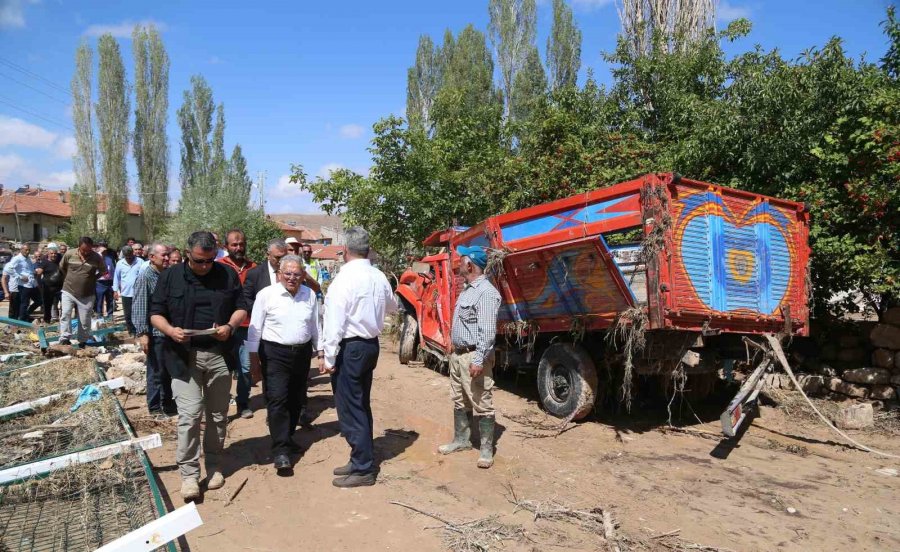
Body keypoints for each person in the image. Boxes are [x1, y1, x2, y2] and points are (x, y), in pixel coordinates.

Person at [150, 231, 248, 502]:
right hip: (183, 358)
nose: (205, 266)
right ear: (187, 254)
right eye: (199, 261)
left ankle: (214, 465)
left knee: (217, 415)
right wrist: (170, 331)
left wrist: (230, 326)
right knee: (190, 415)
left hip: (219, 356)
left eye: (209, 261)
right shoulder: (170, 277)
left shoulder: (227, 274)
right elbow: (155, 313)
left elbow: (241, 307)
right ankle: (189, 475)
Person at [319, 227, 397, 488]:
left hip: (350, 348)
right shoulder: (378, 276)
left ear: (345, 251)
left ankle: (363, 467)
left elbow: (334, 322)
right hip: (370, 345)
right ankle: (359, 458)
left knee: (351, 407)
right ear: (368, 250)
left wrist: (329, 357)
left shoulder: (344, 279)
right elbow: (392, 306)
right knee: (360, 403)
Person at [247, 255, 320, 472]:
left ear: (303, 275)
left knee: (296, 399)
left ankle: (287, 437)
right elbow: (255, 329)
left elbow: (315, 325)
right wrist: (253, 360)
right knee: (277, 399)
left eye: (297, 274)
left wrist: (321, 352)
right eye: (287, 273)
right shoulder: (266, 295)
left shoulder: (309, 295)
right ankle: (280, 450)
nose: (292, 278)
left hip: (302, 353)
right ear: (279, 274)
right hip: (274, 353)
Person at [438, 245, 502, 469]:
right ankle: (461, 440)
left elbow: (487, 330)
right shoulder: (468, 289)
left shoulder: (486, 293)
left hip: (474, 355)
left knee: (482, 402)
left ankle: (486, 450)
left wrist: (478, 359)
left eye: (461, 260)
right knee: (459, 399)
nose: (458, 263)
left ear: (470, 264)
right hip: (459, 355)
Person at [218, 229, 258, 419]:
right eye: (234, 244)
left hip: (248, 326)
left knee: (246, 368)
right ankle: (221, 404)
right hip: (223, 327)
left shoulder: (254, 268)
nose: (238, 247)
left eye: (241, 244)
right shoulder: (218, 266)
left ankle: (243, 402)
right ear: (226, 246)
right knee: (223, 368)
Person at [133, 242, 175, 418]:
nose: (166, 258)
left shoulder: (168, 274)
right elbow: (140, 306)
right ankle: (155, 406)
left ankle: (168, 403)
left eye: (167, 255)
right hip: (155, 333)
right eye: (163, 255)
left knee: (168, 370)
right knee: (156, 371)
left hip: (169, 331)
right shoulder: (145, 277)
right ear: (151, 257)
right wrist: (143, 333)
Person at [59, 237, 107, 346]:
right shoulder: (69, 254)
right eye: (83, 250)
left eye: (88, 250)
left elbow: (104, 271)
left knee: (84, 319)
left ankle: (82, 341)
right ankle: (65, 339)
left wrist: (93, 279)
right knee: (65, 314)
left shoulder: (96, 257)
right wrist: (69, 278)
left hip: (87, 294)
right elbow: (62, 267)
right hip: (68, 290)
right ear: (78, 246)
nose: (86, 253)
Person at [113, 245, 145, 336]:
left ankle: (140, 330)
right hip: (126, 293)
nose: (129, 258)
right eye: (127, 257)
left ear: (132, 253)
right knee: (128, 314)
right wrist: (115, 291)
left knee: (139, 313)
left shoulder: (140, 262)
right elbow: (116, 278)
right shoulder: (120, 263)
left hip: (139, 293)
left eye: (130, 256)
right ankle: (131, 331)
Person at [7, 243, 38, 322]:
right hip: (23, 285)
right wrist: (20, 277)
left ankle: (25, 315)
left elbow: (29, 269)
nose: (27, 252)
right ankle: (22, 320)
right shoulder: (17, 258)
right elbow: (8, 269)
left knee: (39, 300)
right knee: (24, 303)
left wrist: (34, 272)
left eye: (29, 250)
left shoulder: (28, 258)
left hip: (31, 284)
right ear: (21, 250)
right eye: (26, 250)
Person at [35, 243, 63, 323]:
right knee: (47, 306)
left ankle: (62, 320)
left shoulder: (60, 260)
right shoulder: (44, 262)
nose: (53, 255)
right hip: (48, 288)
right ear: (48, 254)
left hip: (60, 288)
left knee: (64, 304)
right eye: (52, 253)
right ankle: (47, 321)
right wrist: (40, 286)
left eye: (55, 253)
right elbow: (38, 274)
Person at [95, 241, 116, 319]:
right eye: (102, 251)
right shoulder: (95, 259)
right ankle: (99, 316)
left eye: (105, 251)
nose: (105, 252)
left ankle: (110, 315)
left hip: (109, 282)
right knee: (99, 300)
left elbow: (113, 269)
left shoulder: (109, 259)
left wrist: (114, 282)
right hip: (99, 282)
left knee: (110, 300)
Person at [2, 256, 20, 320]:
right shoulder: (8, 265)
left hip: (24, 289)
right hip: (14, 289)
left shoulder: (23, 264)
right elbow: (3, 279)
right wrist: (6, 292)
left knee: (21, 308)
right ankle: (12, 323)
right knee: (13, 309)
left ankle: (20, 322)